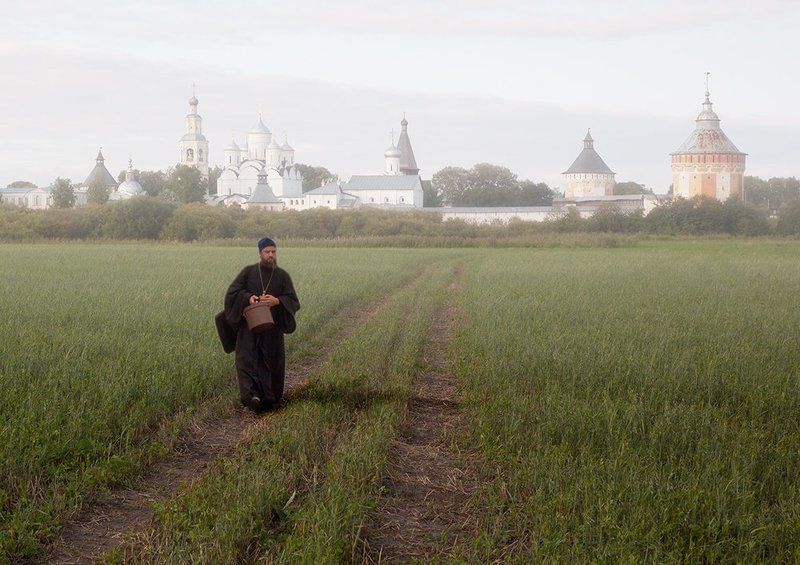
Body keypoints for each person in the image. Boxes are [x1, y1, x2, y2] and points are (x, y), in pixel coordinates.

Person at [223, 236, 300, 412]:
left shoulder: (282, 276)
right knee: (247, 360)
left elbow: (293, 301)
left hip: (272, 328)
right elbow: (232, 293)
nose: (270, 255)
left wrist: (277, 301)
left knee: (272, 362)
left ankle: (271, 399)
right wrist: (248, 297)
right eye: (267, 252)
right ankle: (251, 397)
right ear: (260, 253)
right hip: (248, 327)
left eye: (273, 251)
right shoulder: (248, 272)